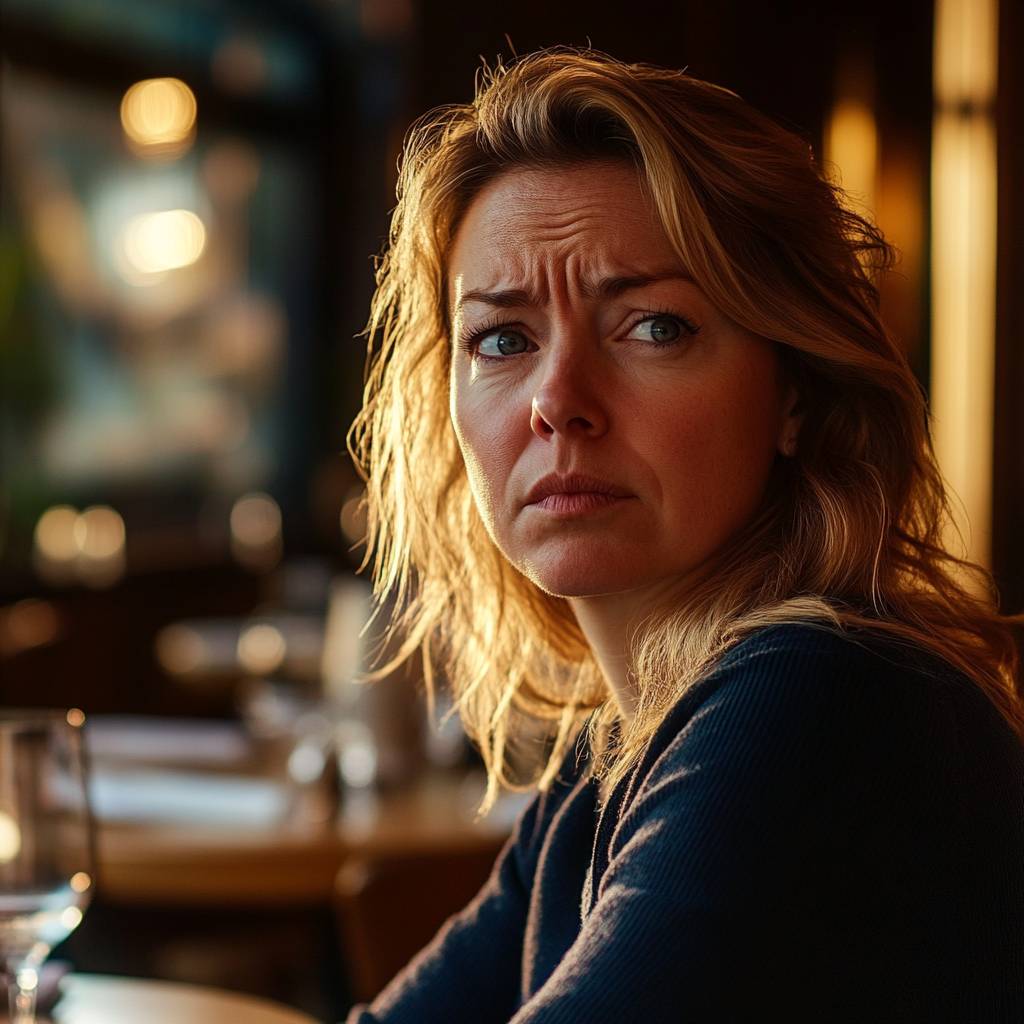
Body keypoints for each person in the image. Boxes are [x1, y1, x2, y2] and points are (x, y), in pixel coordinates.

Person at [346, 49, 1024, 1022]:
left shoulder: (827, 701)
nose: (557, 403)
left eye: (653, 326)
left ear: (796, 391)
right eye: (503, 338)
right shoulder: (611, 755)